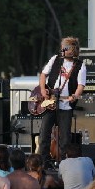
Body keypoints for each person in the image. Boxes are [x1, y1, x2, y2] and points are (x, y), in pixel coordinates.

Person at [38, 37, 86, 167]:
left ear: (73, 49)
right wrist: (43, 89)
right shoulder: (55, 59)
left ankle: (63, 164)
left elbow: (81, 85)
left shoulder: (80, 65)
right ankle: (44, 162)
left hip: (66, 106)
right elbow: (43, 75)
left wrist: (75, 95)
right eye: (62, 47)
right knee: (44, 135)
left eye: (66, 47)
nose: (63, 50)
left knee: (65, 139)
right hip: (50, 103)